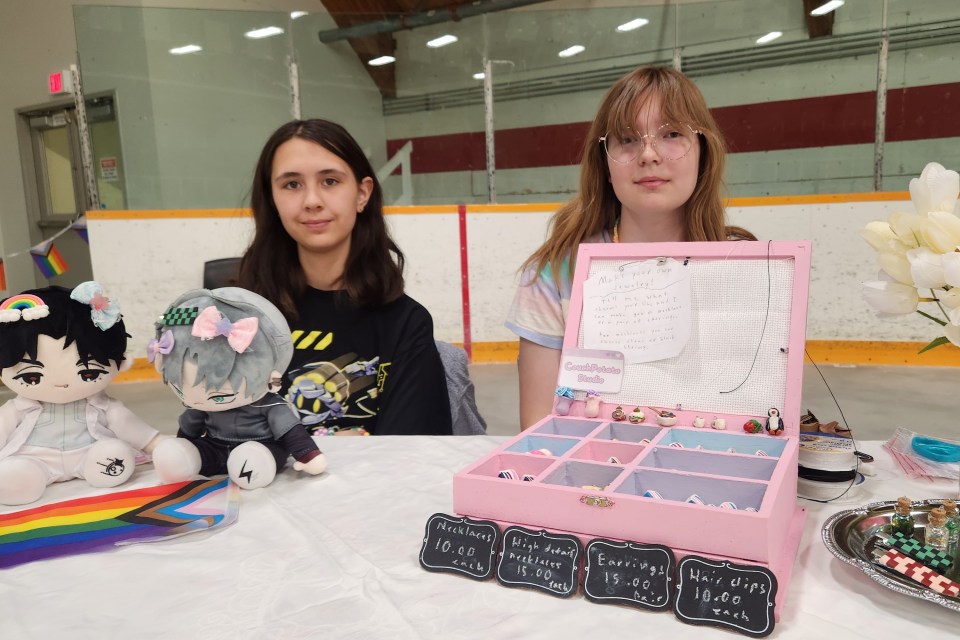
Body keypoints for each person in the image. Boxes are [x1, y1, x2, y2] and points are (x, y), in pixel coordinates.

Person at [506, 66, 755, 429]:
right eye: (627, 139)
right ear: (606, 164)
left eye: (671, 133)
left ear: (703, 151)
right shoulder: (556, 272)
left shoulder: (748, 268)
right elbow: (539, 426)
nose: (649, 154)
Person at [239, 119, 453, 436]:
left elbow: (408, 458)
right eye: (292, 185)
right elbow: (223, 439)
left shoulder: (406, 323)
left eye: (330, 181)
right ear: (271, 198)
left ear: (362, 193)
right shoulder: (238, 321)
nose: (312, 200)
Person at [149, 287, 327, 490]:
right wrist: (184, 445)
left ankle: (254, 463)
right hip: (215, 446)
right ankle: (184, 462)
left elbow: (291, 431)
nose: (197, 401)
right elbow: (191, 426)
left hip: (263, 445)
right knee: (180, 454)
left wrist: (308, 454)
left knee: (255, 457)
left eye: (218, 396)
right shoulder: (200, 405)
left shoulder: (269, 404)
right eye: (181, 392)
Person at [0, 283, 162, 504]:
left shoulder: (102, 405)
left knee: (113, 452)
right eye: (32, 377)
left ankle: (100, 467)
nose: (61, 385)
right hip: (34, 457)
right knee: (14, 474)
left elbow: (130, 427)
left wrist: (158, 445)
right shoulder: (18, 409)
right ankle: (21, 478)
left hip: (89, 453)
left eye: (88, 374)